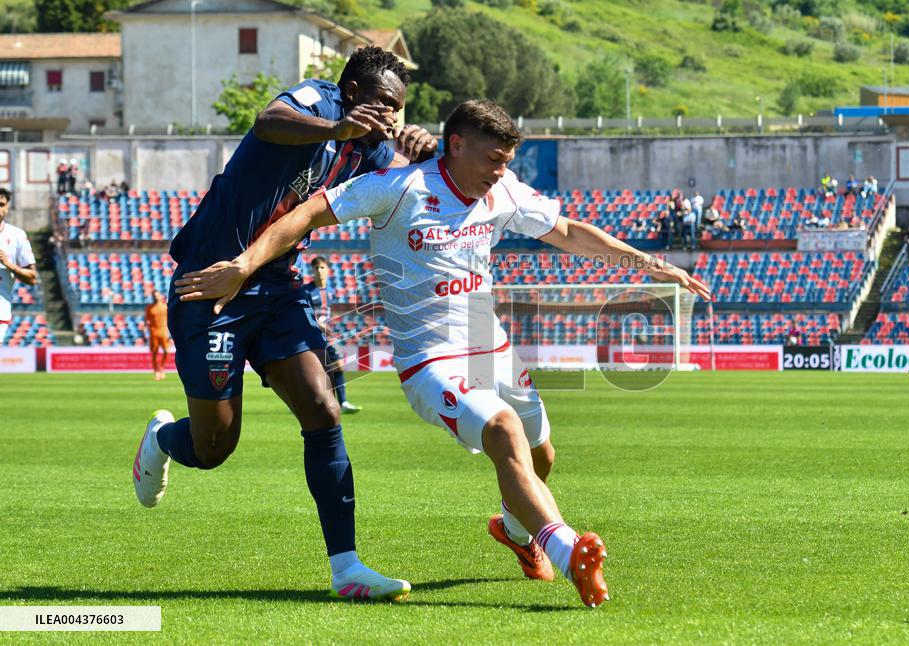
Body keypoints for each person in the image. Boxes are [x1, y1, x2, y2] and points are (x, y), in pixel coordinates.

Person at [174, 99, 712, 608]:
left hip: (491, 344)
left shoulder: (504, 193)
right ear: (455, 145)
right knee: (504, 432)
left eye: (507, 161)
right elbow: (308, 214)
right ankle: (570, 552)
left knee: (541, 454)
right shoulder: (400, 186)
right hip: (430, 360)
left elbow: (569, 232)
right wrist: (244, 264)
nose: (500, 171)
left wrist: (649, 264)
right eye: (493, 159)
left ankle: (516, 531)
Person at [131, 46, 437, 601]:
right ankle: (161, 439)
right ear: (351, 93)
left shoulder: (370, 151)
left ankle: (346, 569)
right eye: (385, 103)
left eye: (400, 107)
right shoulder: (315, 100)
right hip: (212, 285)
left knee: (323, 409)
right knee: (214, 447)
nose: (392, 115)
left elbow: (412, 182)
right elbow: (268, 121)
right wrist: (336, 126)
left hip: (276, 288)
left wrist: (424, 153)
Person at [305, 256, 362, 413]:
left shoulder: (330, 291)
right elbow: (304, 313)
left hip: (326, 336)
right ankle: (309, 401)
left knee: (337, 366)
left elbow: (329, 313)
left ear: (328, 270)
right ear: (312, 271)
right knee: (310, 369)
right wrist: (318, 323)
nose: (319, 271)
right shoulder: (307, 291)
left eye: (322, 268)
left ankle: (342, 402)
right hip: (310, 335)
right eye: (316, 268)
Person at [0, 189, 37, 345]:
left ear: (7, 207)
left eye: (1, 205)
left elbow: (32, 278)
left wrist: (9, 265)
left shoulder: (17, 235)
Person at [145, 290, 170, 381]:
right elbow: (146, 321)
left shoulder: (165, 307)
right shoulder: (149, 308)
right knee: (155, 353)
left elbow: (169, 320)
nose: (155, 297)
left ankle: (162, 368)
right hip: (153, 333)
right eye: (153, 295)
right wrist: (145, 332)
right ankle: (156, 371)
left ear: (160, 296)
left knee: (166, 351)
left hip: (163, 332)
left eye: (157, 295)